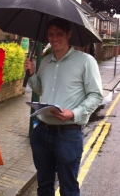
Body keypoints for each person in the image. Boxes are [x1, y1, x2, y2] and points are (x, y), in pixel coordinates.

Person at [24, 17, 103, 196]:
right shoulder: (45, 61)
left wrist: (74, 113)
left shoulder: (85, 61)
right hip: (42, 133)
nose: (54, 38)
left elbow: (96, 95)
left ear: (69, 35)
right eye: (51, 34)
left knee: (68, 188)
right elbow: (39, 88)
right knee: (44, 186)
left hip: (68, 135)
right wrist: (31, 74)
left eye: (59, 34)